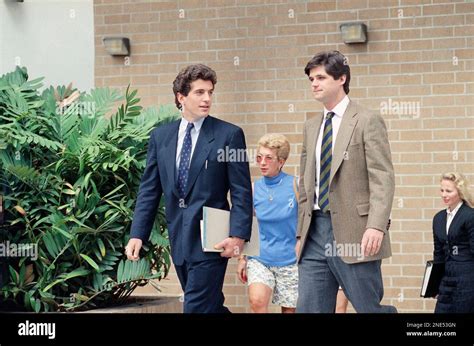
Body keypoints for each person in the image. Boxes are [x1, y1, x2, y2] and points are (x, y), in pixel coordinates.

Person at [125, 64, 253, 313]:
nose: (207, 99)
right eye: (199, 92)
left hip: (212, 240)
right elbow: (150, 189)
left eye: (210, 92)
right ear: (180, 97)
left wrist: (238, 235)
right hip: (179, 239)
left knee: (195, 306)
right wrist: (137, 234)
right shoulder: (161, 137)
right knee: (210, 306)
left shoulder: (229, 135)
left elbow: (241, 190)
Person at [296, 50, 397, 313]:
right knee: (310, 309)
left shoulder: (366, 120)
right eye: (310, 79)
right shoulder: (311, 126)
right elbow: (305, 184)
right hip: (314, 233)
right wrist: (300, 232)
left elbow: (382, 178)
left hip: (357, 231)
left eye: (320, 77)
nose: (314, 84)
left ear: (341, 78)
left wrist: (376, 226)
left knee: (368, 308)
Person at [237, 134, 298, 313]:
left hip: (290, 261)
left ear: (281, 161)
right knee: (256, 302)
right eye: (259, 157)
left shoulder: (296, 185)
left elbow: (307, 221)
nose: (262, 162)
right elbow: (248, 225)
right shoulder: (254, 189)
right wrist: (242, 258)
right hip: (260, 259)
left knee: (289, 311)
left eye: (268, 158)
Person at [433, 172, 474, 313]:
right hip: (446, 281)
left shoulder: (470, 215)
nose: (444, 195)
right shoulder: (438, 218)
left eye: (449, 191)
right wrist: (435, 284)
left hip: (467, 280)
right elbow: (438, 253)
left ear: (460, 192)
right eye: (442, 190)